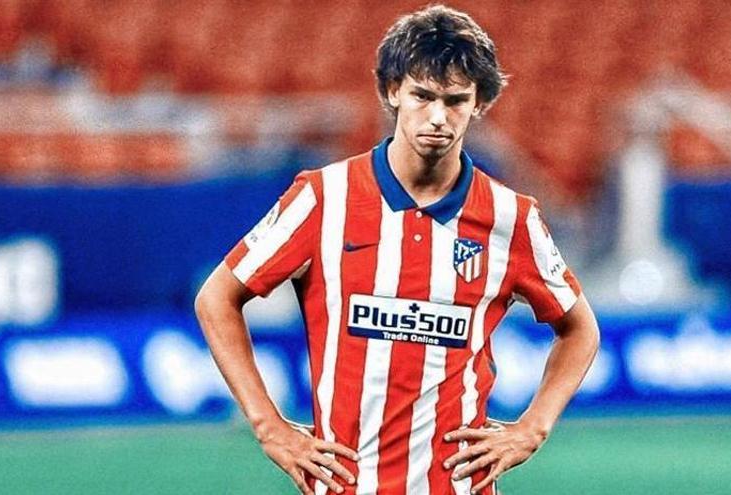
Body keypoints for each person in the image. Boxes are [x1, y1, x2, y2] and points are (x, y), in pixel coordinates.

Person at [194, 5, 599, 495]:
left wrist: (531, 429)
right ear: (392, 92)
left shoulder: (510, 217)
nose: (437, 116)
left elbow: (579, 329)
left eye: (455, 100)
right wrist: (269, 427)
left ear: (478, 105)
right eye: (421, 96)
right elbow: (216, 297)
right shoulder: (324, 197)